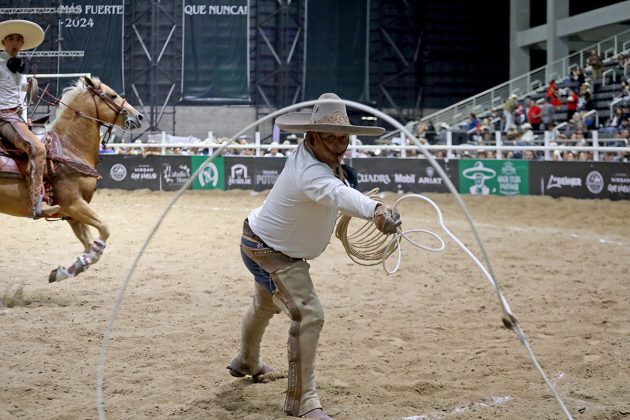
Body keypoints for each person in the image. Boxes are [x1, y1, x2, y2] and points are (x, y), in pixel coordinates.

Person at [227, 93, 402, 420]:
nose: (339, 144)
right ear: (312, 137)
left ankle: (247, 361)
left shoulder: (320, 160)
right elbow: (334, 192)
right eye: (331, 137)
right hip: (270, 252)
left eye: (343, 138)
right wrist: (375, 208)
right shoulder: (310, 171)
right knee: (309, 314)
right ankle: (304, 401)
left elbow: (338, 188)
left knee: (264, 305)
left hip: (259, 240)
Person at [0, 19, 60, 218]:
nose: (15, 42)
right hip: (4, 119)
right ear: (4, 42)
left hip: (15, 118)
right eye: (11, 38)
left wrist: (27, 87)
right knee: (38, 149)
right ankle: (37, 204)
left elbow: (13, 94)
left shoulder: (17, 68)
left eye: (18, 39)